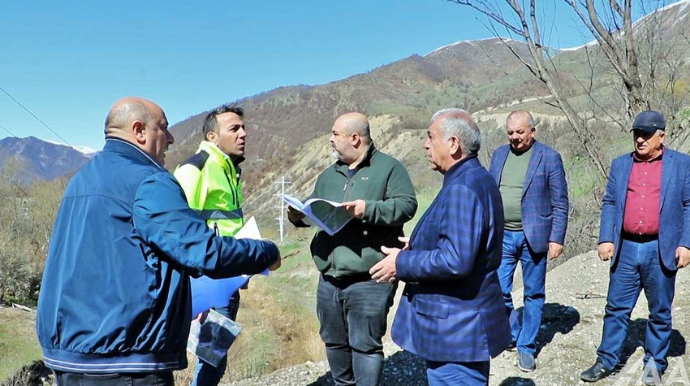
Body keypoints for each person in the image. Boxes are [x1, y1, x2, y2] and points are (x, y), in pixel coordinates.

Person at [36, 97, 281, 386]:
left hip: (69, 354)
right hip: (125, 358)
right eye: (163, 128)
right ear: (139, 131)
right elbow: (202, 251)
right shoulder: (149, 181)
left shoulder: (82, 179)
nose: (172, 138)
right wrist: (266, 252)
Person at [370, 108, 510, 386]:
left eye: (431, 137)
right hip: (462, 327)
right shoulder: (476, 178)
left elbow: (455, 260)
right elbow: (469, 241)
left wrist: (401, 263)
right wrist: (421, 243)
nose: (425, 144)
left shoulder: (462, 187)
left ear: (454, 144)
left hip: (455, 332)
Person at [288, 112, 417, 386]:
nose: (331, 139)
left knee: (365, 346)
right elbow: (317, 210)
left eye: (335, 134)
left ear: (354, 138)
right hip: (329, 279)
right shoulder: (328, 175)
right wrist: (298, 215)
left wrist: (366, 209)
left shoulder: (389, 168)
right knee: (334, 342)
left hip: (370, 277)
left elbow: (407, 205)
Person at [580, 110, 690, 386]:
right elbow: (610, 203)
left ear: (661, 136)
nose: (640, 139)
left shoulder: (681, 165)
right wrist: (606, 237)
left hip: (660, 248)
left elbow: (689, 205)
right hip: (626, 247)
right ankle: (607, 360)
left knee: (660, 311)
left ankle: (654, 365)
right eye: (636, 134)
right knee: (616, 308)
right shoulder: (621, 165)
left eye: (646, 134)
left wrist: (686, 243)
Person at [487, 110, 569, 372]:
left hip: (534, 236)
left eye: (520, 132)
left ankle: (527, 347)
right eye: (510, 132)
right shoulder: (499, 155)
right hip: (502, 236)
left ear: (532, 131)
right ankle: (512, 334)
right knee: (498, 290)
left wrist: (557, 238)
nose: (515, 137)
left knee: (533, 294)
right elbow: (489, 193)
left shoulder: (549, 157)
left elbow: (560, 202)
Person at [174, 105, 248, 386]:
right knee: (211, 357)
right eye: (235, 129)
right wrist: (196, 292)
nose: (243, 134)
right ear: (213, 136)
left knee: (215, 355)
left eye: (243, 128)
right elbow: (180, 232)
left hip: (227, 280)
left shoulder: (228, 169)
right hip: (208, 284)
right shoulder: (197, 168)